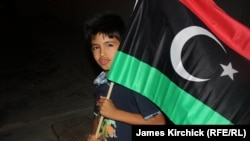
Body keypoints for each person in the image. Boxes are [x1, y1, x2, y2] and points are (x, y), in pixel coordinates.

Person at [83, 11, 166, 141]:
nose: (102, 53)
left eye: (109, 45)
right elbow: (98, 116)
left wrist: (115, 113)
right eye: (95, 47)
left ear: (124, 47)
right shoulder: (101, 83)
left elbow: (158, 121)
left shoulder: (135, 82)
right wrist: (95, 135)